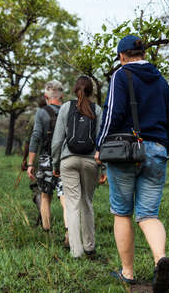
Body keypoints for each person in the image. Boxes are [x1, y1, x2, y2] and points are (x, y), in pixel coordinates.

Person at [94, 35, 169, 292]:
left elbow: (113, 113)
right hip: (158, 149)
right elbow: (168, 121)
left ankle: (127, 273)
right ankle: (160, 259)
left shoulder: (121, 75)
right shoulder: (161, 80)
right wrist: (163, 148)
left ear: (122, 56)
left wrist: (99, 145)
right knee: (149, 214)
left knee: (122, 212)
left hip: (126, 151)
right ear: (143, 53)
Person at [51, 76, 106, 258]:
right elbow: (101, 141)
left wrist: (55, 163)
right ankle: (90, 247)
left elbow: (57, 140)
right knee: (87, 203)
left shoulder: (66, 107)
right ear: (91, 91)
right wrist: (103, 168)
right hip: (90, 162)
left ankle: (76, 251)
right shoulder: (97, 110)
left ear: (75, 90)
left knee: (72, 205)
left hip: (68, 160)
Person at [27, 80, 68, 246]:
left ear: (46, 96)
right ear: (62, 96)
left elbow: (36, 136)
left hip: (46, 159)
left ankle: (47, 232)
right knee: (65, 198)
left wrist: (30, 163)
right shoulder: (69, 110)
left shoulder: (41, 113)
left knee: (45, 196)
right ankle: (68, 233)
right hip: (66, 159)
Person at [21, 96, 47, 225]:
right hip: (56, 157)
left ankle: (44, 219)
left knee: (37, 188)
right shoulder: (59, 114)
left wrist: (25, 159)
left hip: (37, 158)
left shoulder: (34, 118)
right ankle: (41, 218)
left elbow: (28, 142)